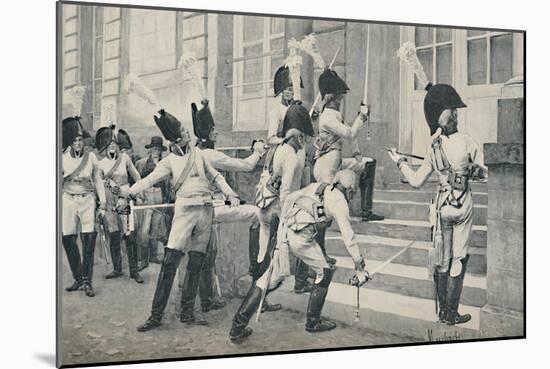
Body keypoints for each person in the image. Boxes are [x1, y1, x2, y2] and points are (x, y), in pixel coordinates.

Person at [116, 109, 241, 331]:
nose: (188, 133)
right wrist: (128, 193)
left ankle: (187, 312)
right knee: (170, 263)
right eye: (184, 131)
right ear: (176, 139)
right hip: (184, 213)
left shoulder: (200, 155)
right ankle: (155, 316)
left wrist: (231, 194)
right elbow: (149, 180)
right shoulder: (169, 161)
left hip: (205, 211)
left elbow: (216, 177)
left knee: (195, 263)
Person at [387, 83, 487, 326]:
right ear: (441, 115)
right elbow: (485, 174)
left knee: (443, 258)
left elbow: (415, 181)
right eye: (450, 109)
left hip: (443, 207)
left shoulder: (432, 148)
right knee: (457, 258)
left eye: (454, 109)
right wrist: (476, 171)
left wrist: (399, 161)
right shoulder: (467, 141)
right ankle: (450, 312)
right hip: (461, 206)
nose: (455, 113)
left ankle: (444, 312)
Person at [229, 169, 370, 342]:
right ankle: (313, 322)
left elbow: (289, 198)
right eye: (353, 191)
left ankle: (237, 327)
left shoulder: (318, 186)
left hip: (286, 232)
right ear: (350, 189)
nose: (353, 194)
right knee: (324, 272)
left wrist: (284, 224)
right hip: (301, 237)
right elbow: (348, 235)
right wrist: (359, 262)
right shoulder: (340, 202)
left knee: (268, 280)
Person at [230, 103, 316, 342]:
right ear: (297, 135)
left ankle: (244, 317)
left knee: (269, 269)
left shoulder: (286, 148)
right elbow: (287, 193)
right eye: (305, 137)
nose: (307, 141)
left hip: (271, 212)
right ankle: (238, 323)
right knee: (271, 273)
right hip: (277, 214)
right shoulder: (289, 154)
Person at [191, 100, 267, 313]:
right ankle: (255, 268)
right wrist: (258, 150)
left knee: (209, 252)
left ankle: (207, 300)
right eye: (213, 130)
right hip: (212, 208)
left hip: (203, 207)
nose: (217, 133)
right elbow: (247, 165)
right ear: (207, 135)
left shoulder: (194, 152)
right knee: (256, 214)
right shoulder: (211, 155)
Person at [313, 68, 384, 223]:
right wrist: (362, 116)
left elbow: (351, 137)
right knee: (325, 212)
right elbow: (350, 133)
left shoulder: (335, 116)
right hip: (326, 167)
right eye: (339, 99)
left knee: (368, 163)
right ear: (331, 99)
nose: (340, 102)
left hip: (336, 163)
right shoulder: (327, 118)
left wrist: (356, 153)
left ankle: (366, 211)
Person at [61, 116, 106, 297]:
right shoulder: (62, 157)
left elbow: (98, 181)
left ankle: (87, 281)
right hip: (68, 199)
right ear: (70, 142)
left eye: (80, 140)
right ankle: (78, 278)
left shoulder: (92, 157)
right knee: (68, 239)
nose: (78, 143)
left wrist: (102, 203)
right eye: (75, 140)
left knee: (88, 241)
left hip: (87, 200)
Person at [96, 126, 144, 284]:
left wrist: (137, 192)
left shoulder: (125, 158)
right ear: (105, 146)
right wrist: (108, 186)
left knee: (129, 232)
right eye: (109, 144)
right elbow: (99, 182)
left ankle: (134, 270)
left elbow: (136, 176)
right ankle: (117, 268)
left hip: (124, 197)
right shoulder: (100, 163)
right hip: (110, 200)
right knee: (114, 234)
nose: (112, 146)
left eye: (114, 143)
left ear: (117, 145)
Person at [135, 136, 170, 269]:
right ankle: (143, 259)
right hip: (147, 195)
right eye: (154, 149)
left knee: (156, 228)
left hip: (159, 195)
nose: (156, 152)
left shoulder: (165, 163)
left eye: (159, 150)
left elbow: (168, 183)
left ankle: (153, 255)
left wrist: (166, 198)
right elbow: (137, 181)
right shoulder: (141, 163)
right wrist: (140, 194)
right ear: (149, 150)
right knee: (144, 229)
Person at [266, 65, 304, 146]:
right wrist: (286, 140)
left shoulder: (299, 111)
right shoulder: (276, 112)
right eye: (290, 89)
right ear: (283, 92)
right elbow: (271, 139)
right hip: (284, 149)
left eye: (295, 90)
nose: (293, 93)